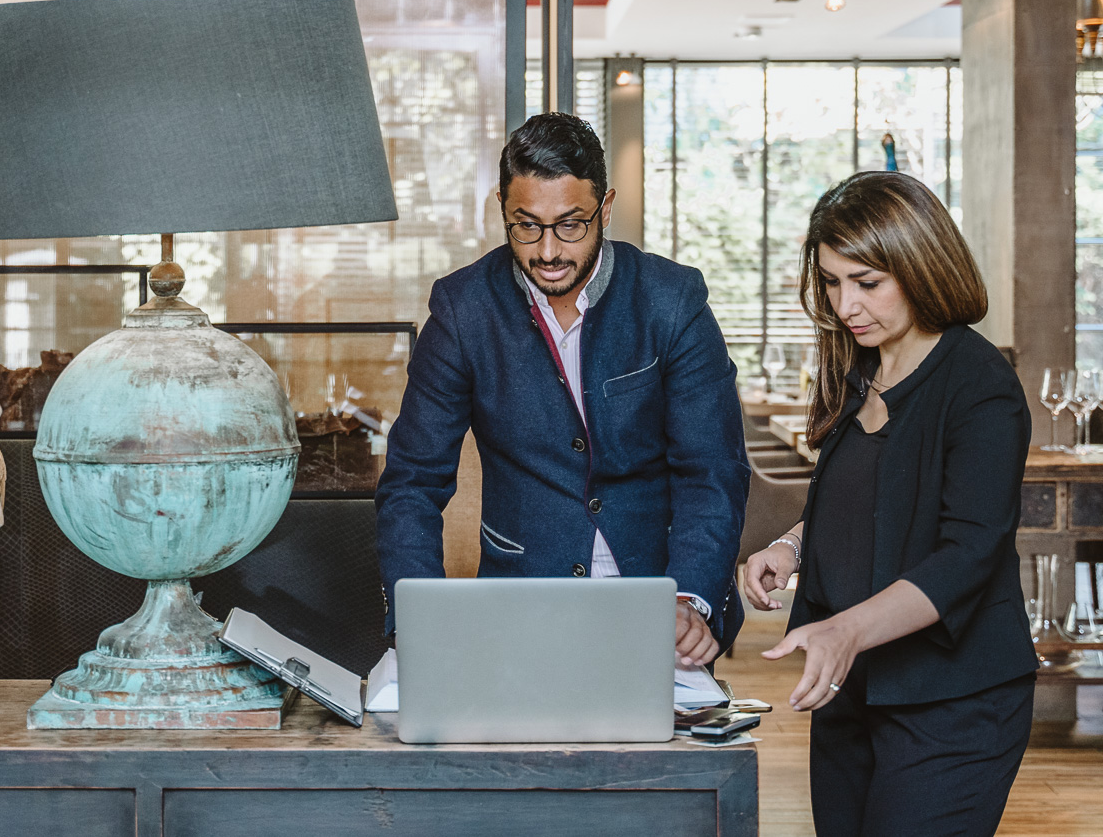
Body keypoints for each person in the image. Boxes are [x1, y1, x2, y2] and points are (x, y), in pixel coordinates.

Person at [376, 112, 749, 664]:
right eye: (525, 225)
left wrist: (691, 596)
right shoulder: (463, 310)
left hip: (657, 600)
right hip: (519, 599)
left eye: (570, 225)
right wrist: (419, 620)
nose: (548, 251)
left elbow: (712, 471)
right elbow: (412, 481)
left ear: (606, 206)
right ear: (502, 207)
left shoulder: (672, 301)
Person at [743, 171, 1037, 836]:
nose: (845, 303)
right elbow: (862, 500)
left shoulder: (980, 386)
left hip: (954, 701)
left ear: (919, 263)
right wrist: (790, 546)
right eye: (831, 280)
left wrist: (844, 630)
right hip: (853, 692)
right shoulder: (860, 367)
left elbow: (967, 553)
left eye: (866, 281)